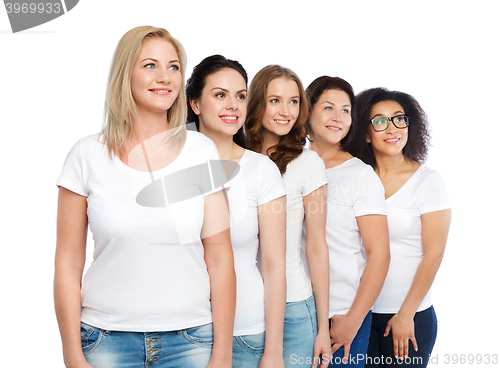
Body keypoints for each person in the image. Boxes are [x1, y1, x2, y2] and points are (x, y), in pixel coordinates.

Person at [54, 26, 236, 368]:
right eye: (150, 65)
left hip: (190, 341)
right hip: (105, 341)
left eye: (174, 66)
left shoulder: (201, 151)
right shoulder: (86, 155)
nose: (164, 77)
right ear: (126, 74)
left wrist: (222, 355)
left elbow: (220, 258)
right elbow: (67, 263)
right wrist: (72, 356)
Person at [186, 55, 287, 368]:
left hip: (246, 335)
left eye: (240, 96)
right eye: (220, 95)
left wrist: (273, 352)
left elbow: (273, 266)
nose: (233, 105)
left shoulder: (261, 170)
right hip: (180, 333)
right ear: (195, 104)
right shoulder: (169, 166)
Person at [348, 87, 451, 367]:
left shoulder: (428, 181)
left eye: (399, 119)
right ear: (365, 133)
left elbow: (434, 254)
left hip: (408, 317)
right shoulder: (356, 179)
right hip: (359, 316)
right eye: (379, 121)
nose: (392, 128)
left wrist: (407, 313)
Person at [245, 65, 331, 368]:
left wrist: (322, 329)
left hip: (293, 307)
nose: (286, 111)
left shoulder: (308, 163)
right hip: (239, 307)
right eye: (275, 100)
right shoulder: (234, 157)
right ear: (256, 103)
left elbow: (316, 247)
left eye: (294, 101)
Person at [304, 76, 390, 368]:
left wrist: (353, 320)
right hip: (294, 311)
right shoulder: (286, 164)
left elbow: (379, 254)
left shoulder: (360, 176)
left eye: (345, 110)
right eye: (328, 107)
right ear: (308, 110)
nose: (338, 118)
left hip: (340, 316)